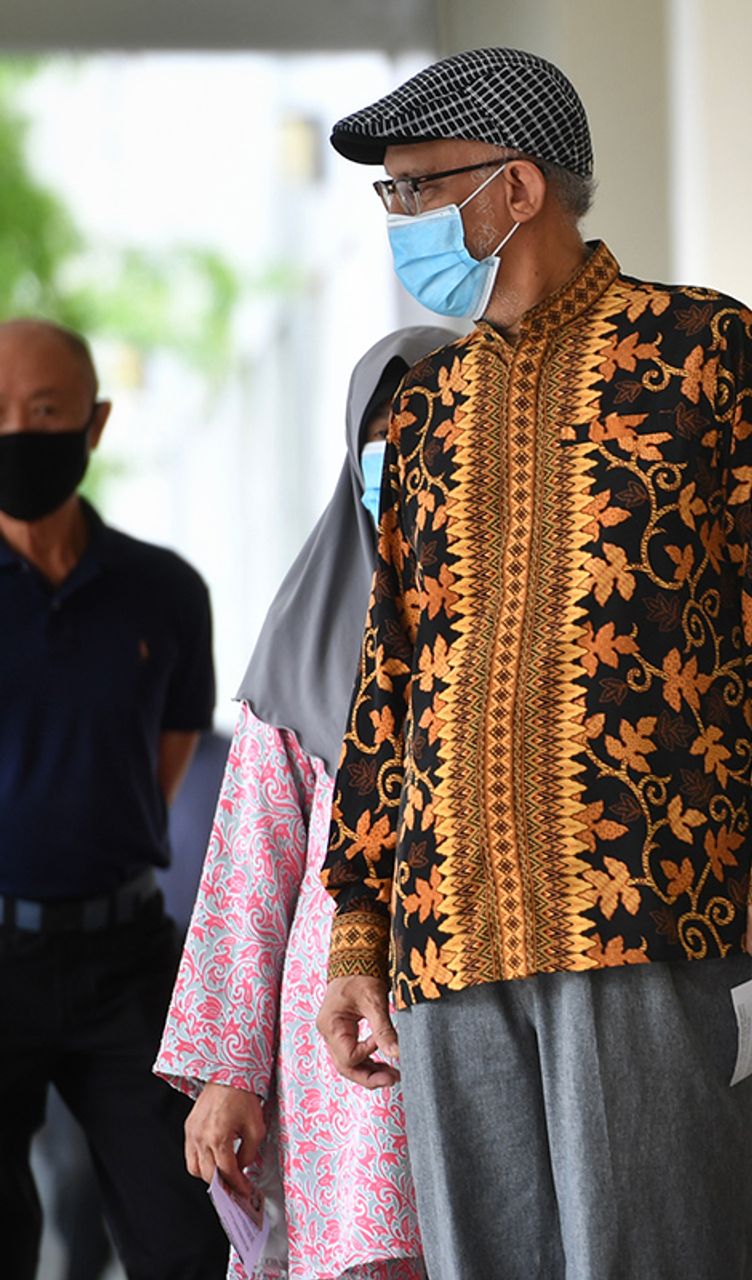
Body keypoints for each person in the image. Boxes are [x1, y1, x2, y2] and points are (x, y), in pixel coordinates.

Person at [314, 49, 752, 1279]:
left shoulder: (708, 348)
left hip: (654, 899)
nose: (401, 222)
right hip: (447, 928)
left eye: (417, 190)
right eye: (388, 197)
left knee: (659, 1255)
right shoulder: (421, 411)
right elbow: (390, 669)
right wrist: (354, 922)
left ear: (518, 188)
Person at [155, 327, 454, 1280]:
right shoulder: (306, 637)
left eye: (432, 427)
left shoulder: (543, 622)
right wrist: (230, 1073)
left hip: (504, 1017)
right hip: (346, 1039)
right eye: (384, 432)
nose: (404, 457)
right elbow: (251, 874)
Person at [0, 318, 228, 1278]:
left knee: (187, 1228)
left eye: (44, 411)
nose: (18, 432)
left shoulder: (163, 592)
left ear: (93, 425)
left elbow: (162, 766)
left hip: (126, 960)